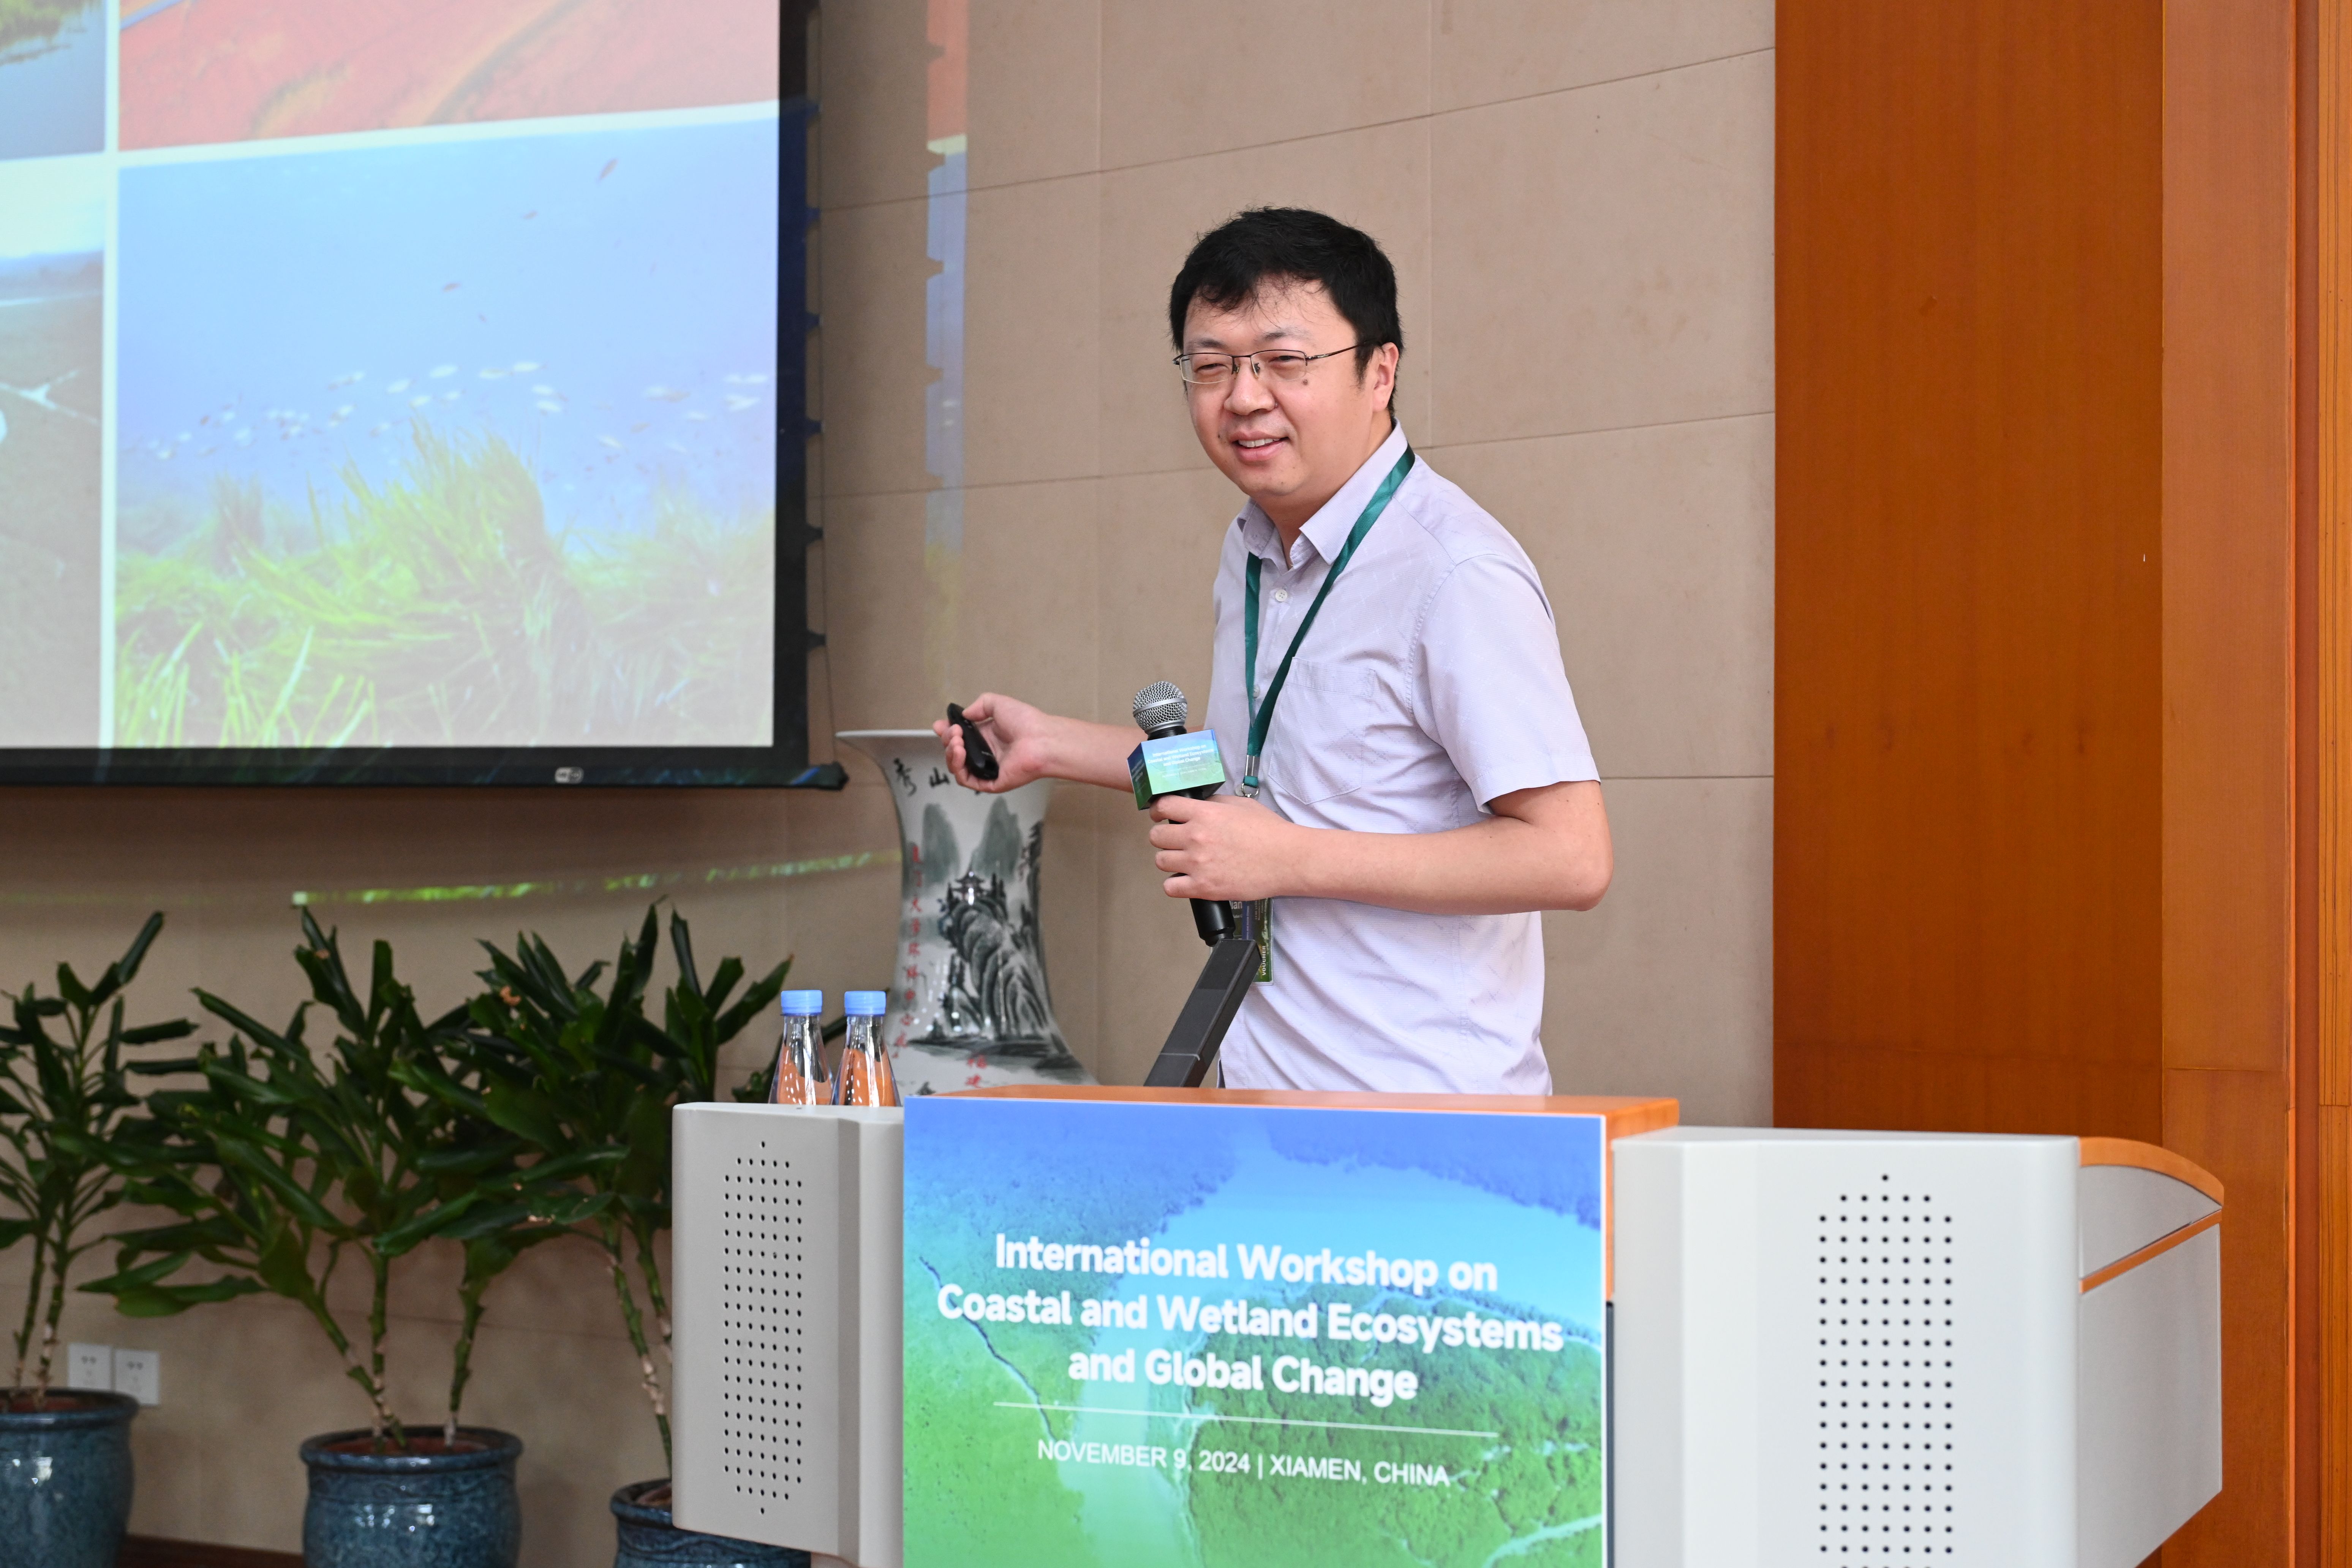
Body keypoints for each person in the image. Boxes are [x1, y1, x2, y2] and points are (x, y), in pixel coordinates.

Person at [934, 207, 1610, 1094]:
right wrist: (1053, 745)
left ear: (1380, 371)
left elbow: (1571, 856)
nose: (1244, 397)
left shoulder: (1454, 572)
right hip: (1265, 1093)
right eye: (1211, 366)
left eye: (1284, 362)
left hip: (1421, 1114)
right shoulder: (1255, 549)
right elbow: (1261, 775)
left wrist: (1287, 857)